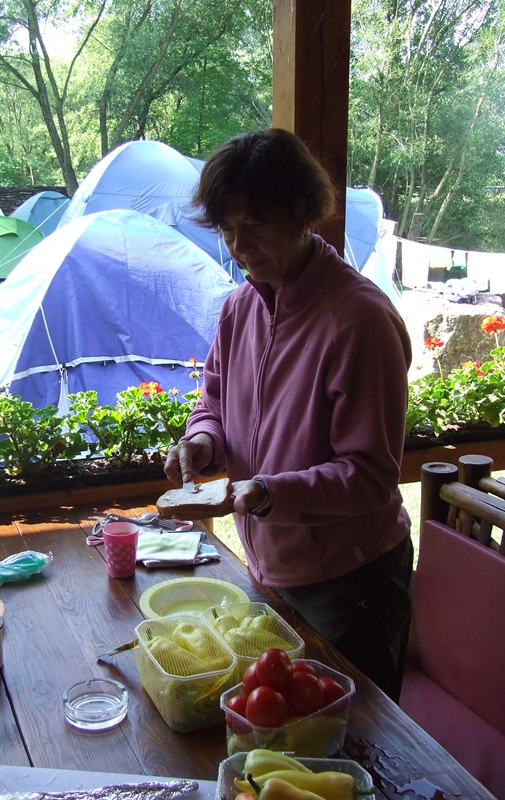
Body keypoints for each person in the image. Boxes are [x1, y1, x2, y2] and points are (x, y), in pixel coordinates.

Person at [164, 128, 413, 701]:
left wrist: (271, 493)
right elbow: (214, 402)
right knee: (285, 728)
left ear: (303, 213)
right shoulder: (240, 307)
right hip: (271, 567)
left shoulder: (359, 320)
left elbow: (371, 475)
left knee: (356, 736)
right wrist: (202, 442)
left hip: (351, 584)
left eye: (256, 224)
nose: (239, 246)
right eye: (227, 228)